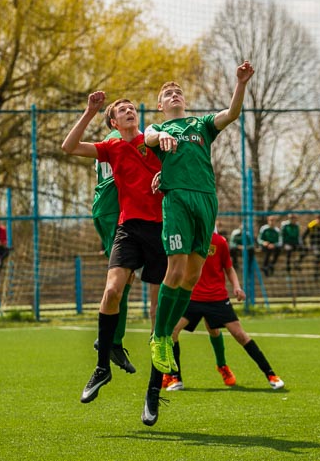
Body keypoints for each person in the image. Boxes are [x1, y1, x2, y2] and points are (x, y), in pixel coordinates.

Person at [143, 60, 254, 426]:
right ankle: (160, 338)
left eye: (177, 92)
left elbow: (233, 113)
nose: (173, 95)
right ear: (160, 105)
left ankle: (163, 334)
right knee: (174, 269)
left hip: (206, 200)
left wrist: (240, 83)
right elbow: (146, 137)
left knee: (190, 277)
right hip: (177, 199)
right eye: (166, 94)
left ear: (184, 101)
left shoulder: (200, 125)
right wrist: (162, 138)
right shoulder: (158, 127)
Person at [61, 92, 167, 405]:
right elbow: (68, 147)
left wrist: (168, 174)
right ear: (113, 122)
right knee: (112, 291)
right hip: (128, 228)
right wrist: (89, 110)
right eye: (122, 110)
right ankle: (102, 367)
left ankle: (154, 389)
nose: (129, 111)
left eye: (132, 108)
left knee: (156, 310)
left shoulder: (156, 141)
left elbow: (185, 167)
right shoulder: (112, 146)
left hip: (161, 229)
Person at [162, 229, 284, 392]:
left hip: (217, 299)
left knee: (240, 335)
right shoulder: (187, 239)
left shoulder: (220, 242)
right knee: (172, 332)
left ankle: (271, 375)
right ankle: (175, 378)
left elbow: (229, 267)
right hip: (192, 297)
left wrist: (237, 287)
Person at [90, 127, 137, 375]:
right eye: (122, 110)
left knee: (127, 277)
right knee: (120, 279)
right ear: (113, 120)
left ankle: (114, 340)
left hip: (111, 207)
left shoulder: (108, 142)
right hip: (112, 208)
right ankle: (111, 342)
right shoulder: (117, 139)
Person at [302, 213, 320, 278]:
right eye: (319, 219)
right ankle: (316, 273)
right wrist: (306, 245)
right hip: (314, 244)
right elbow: (304, 236)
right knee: (318, 256)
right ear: (316, 219)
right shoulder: (311, 225)